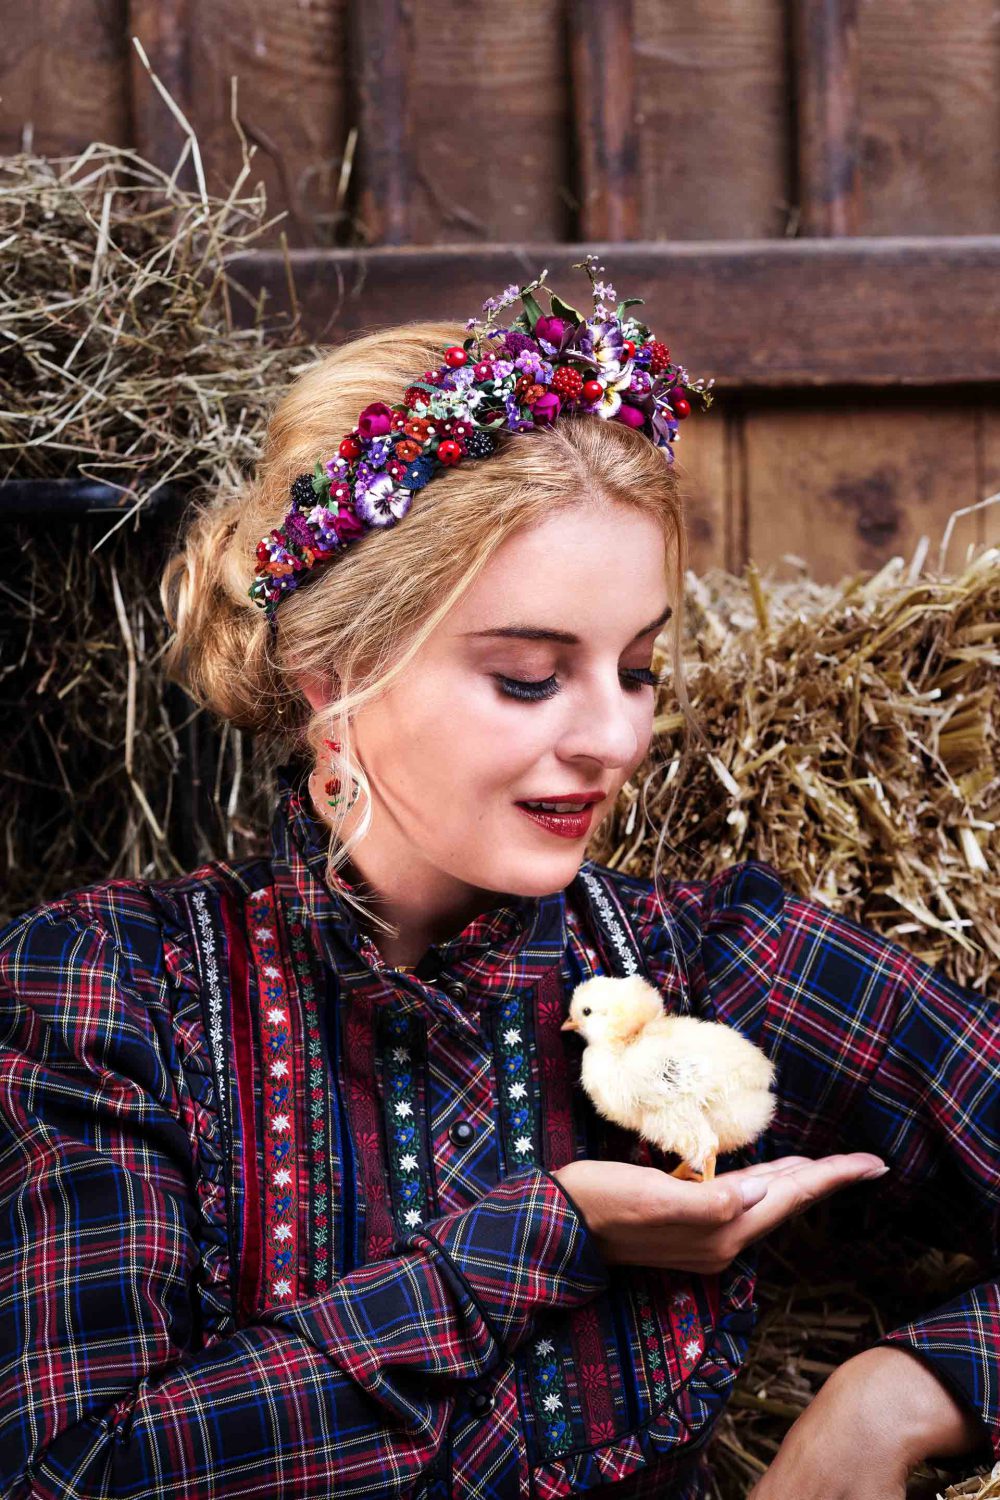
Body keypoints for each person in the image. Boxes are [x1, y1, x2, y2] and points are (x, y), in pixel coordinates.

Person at [0, 264, 996, 1500]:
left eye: (635, 666)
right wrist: (545, 1234)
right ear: (330, 670)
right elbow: (67, 1475)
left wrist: (896, 1398)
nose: (616, 738)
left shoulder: (720, 963)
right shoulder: (109, 993)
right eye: (529, 676)